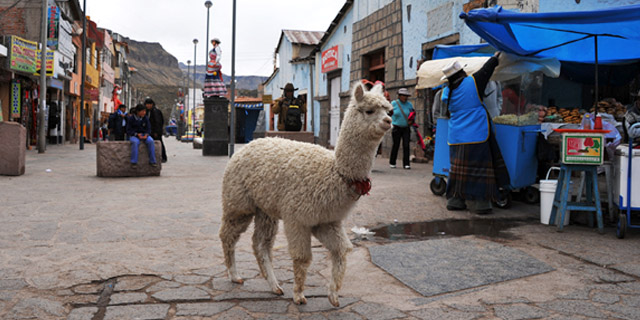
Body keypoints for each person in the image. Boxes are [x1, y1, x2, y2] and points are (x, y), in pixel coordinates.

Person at [442, 51, 510, 214]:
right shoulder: (473, 82)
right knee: (480, 171)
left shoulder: (447, 91)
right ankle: (481, 203)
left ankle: (455, 200)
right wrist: (495, 56)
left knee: (457, 170)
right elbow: (487, 69)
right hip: (476, 134)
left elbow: (446, 113)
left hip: (456, 137)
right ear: (462, 73)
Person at [389, 88, 414, 169]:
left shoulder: (409, 104)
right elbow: (388, 113)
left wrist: (412, 120)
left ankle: (406, 163)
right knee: (396, 145)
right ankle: (392, 162)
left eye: (406, 96)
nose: (405, 97)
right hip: (396, 127)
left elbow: (413, 113)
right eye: (403, 95)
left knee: (406, 145)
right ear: (399, 96)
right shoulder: (394, 103)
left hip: (406, 127)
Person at [144, 98, 167, 163]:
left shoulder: (156, 111)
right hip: (149, 131)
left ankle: (163, 157)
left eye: (149, 104)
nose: (148, 106)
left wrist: (157, 131)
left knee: (159, 143)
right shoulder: (145, 112)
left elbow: (159, 122)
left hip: (156, 131)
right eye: (147, 104)